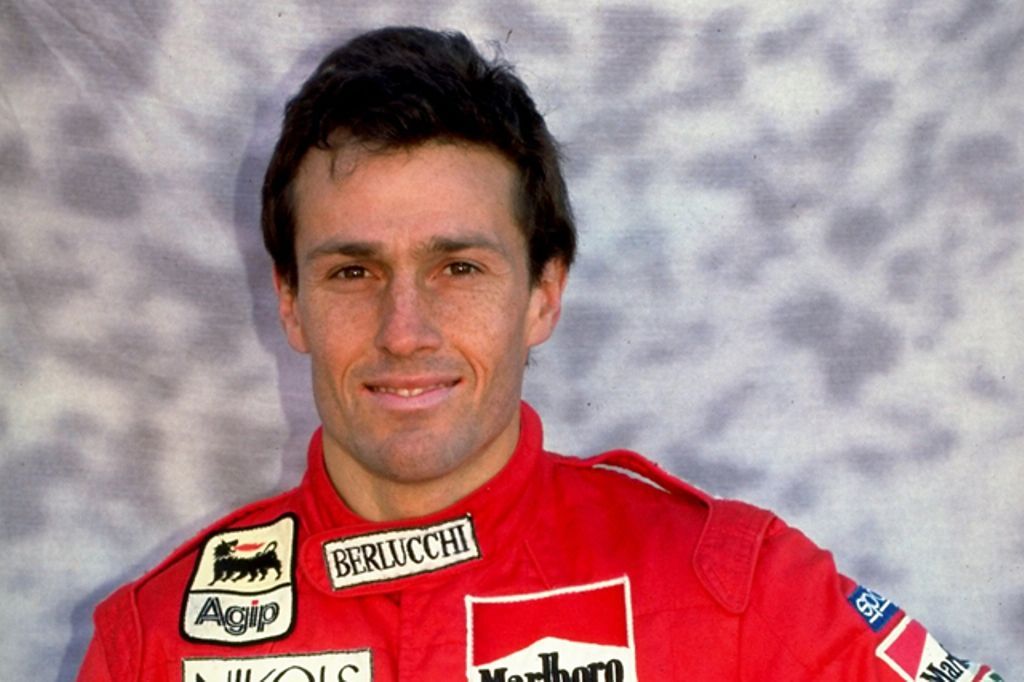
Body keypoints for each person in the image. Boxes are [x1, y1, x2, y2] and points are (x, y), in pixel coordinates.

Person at [77, 26, 1004, 681]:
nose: (405, 329)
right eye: (353, 272)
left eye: (459, 268)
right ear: (290, 301)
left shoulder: (735, 585)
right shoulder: (152, 641)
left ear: (543, 294)